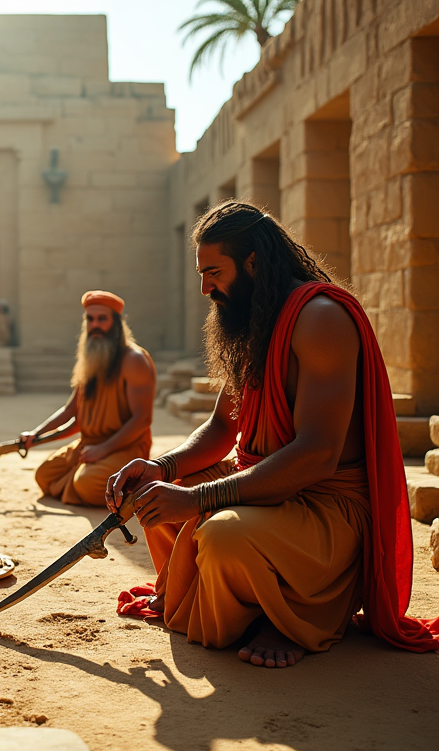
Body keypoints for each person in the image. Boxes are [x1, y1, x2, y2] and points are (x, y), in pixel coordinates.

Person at [107, 201, 439, 668]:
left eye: (214, 272)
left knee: (221, 536)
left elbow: (317, 455)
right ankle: (227, 598)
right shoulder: (254, 319)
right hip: (264, 488)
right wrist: (160, 467)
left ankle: (292, 616)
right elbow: (224, 426)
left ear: (254, 262)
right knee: (157, 496)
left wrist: (201, 500)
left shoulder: (320, 318)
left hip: (325, 506)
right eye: (201, 274)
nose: (205, 288)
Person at [27, 291, 155, 506]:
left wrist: (103, 449)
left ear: (116, 323)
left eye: (102, 319)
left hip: (125, 447)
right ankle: (81, 481)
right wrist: (36, 434)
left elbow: (142, 419)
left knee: (87, 484)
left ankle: (134, 483)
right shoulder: (91, 357)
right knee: (44, 475)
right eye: (90, 319)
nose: (95, 324)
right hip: (89, 445)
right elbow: (71, 412)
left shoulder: (134, 360)